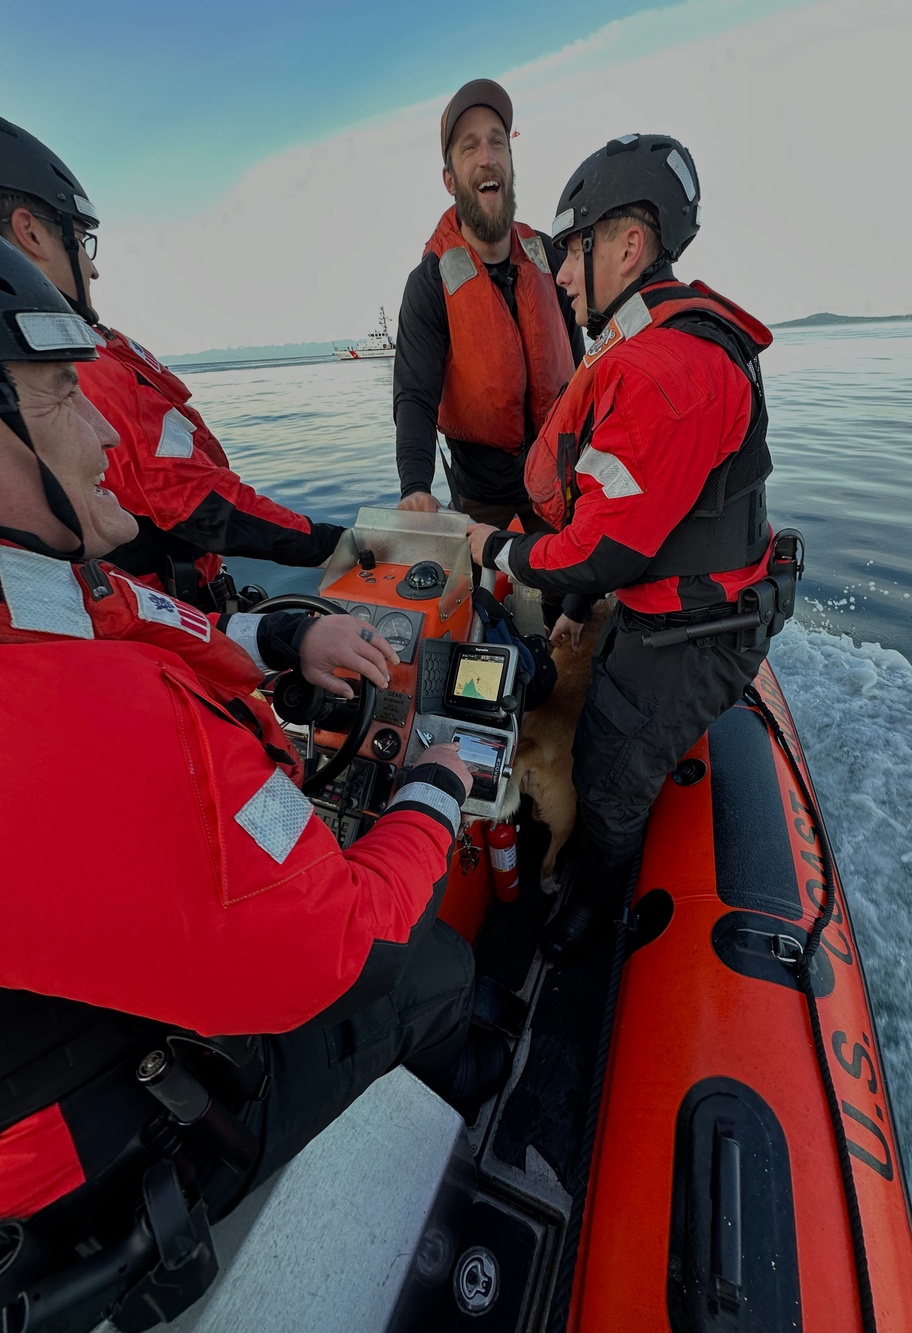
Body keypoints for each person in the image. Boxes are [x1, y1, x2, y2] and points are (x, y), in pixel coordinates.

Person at [0, 239, 507, 1328]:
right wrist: (427, 793)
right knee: (428, 968)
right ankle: (493, 1124)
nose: (99, 435)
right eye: (54, 401)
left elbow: (128, 613)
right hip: (94, 1142)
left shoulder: (32, 595)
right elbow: (334, 947)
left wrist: (279, 632)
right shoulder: (89, 718)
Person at [468, 134, 777, 962]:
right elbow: (634, 518)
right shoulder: (662, 350)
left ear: (628, 245)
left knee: (605, 776)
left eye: (573, 251)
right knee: (596, 710)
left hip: (694, 633)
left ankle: (593, 917)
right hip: (668, 609)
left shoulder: (661, 370)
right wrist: (572, 609)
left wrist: (497, 549)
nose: (561, 275)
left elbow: (604, 553)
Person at [0, 117, 345, 613]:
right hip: (165, 615)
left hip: (152, 613)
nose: (92, 266)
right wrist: (332, 544)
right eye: (79, 239)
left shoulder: (89, 351)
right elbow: (200, 505)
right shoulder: (85, 368)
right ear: (30, 233)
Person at [393, 78, 584, 532]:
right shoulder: (429, 283)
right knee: (480, 597)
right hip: (482, 498)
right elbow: (415, 397)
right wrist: (415, 487)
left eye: (498, 142)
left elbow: (589, 357)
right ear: (449, 179)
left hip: (562, 480)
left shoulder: (555, 258)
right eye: (469, 147)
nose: (487, 156)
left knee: (580, 596)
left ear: (511, 163)